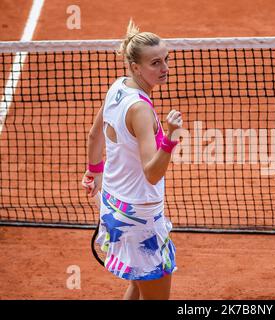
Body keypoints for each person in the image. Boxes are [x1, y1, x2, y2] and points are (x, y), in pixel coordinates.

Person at [81, 19, 182, 300]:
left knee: (138, 285)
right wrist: (170, 138)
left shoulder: (117, 87)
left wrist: (94, 173)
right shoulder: (140, 110)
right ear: (136, 67)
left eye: (166, 59)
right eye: (155, 63)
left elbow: (94, 136)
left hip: (113, 204)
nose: (165, 68)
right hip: (140, 217)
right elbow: (152, 173)